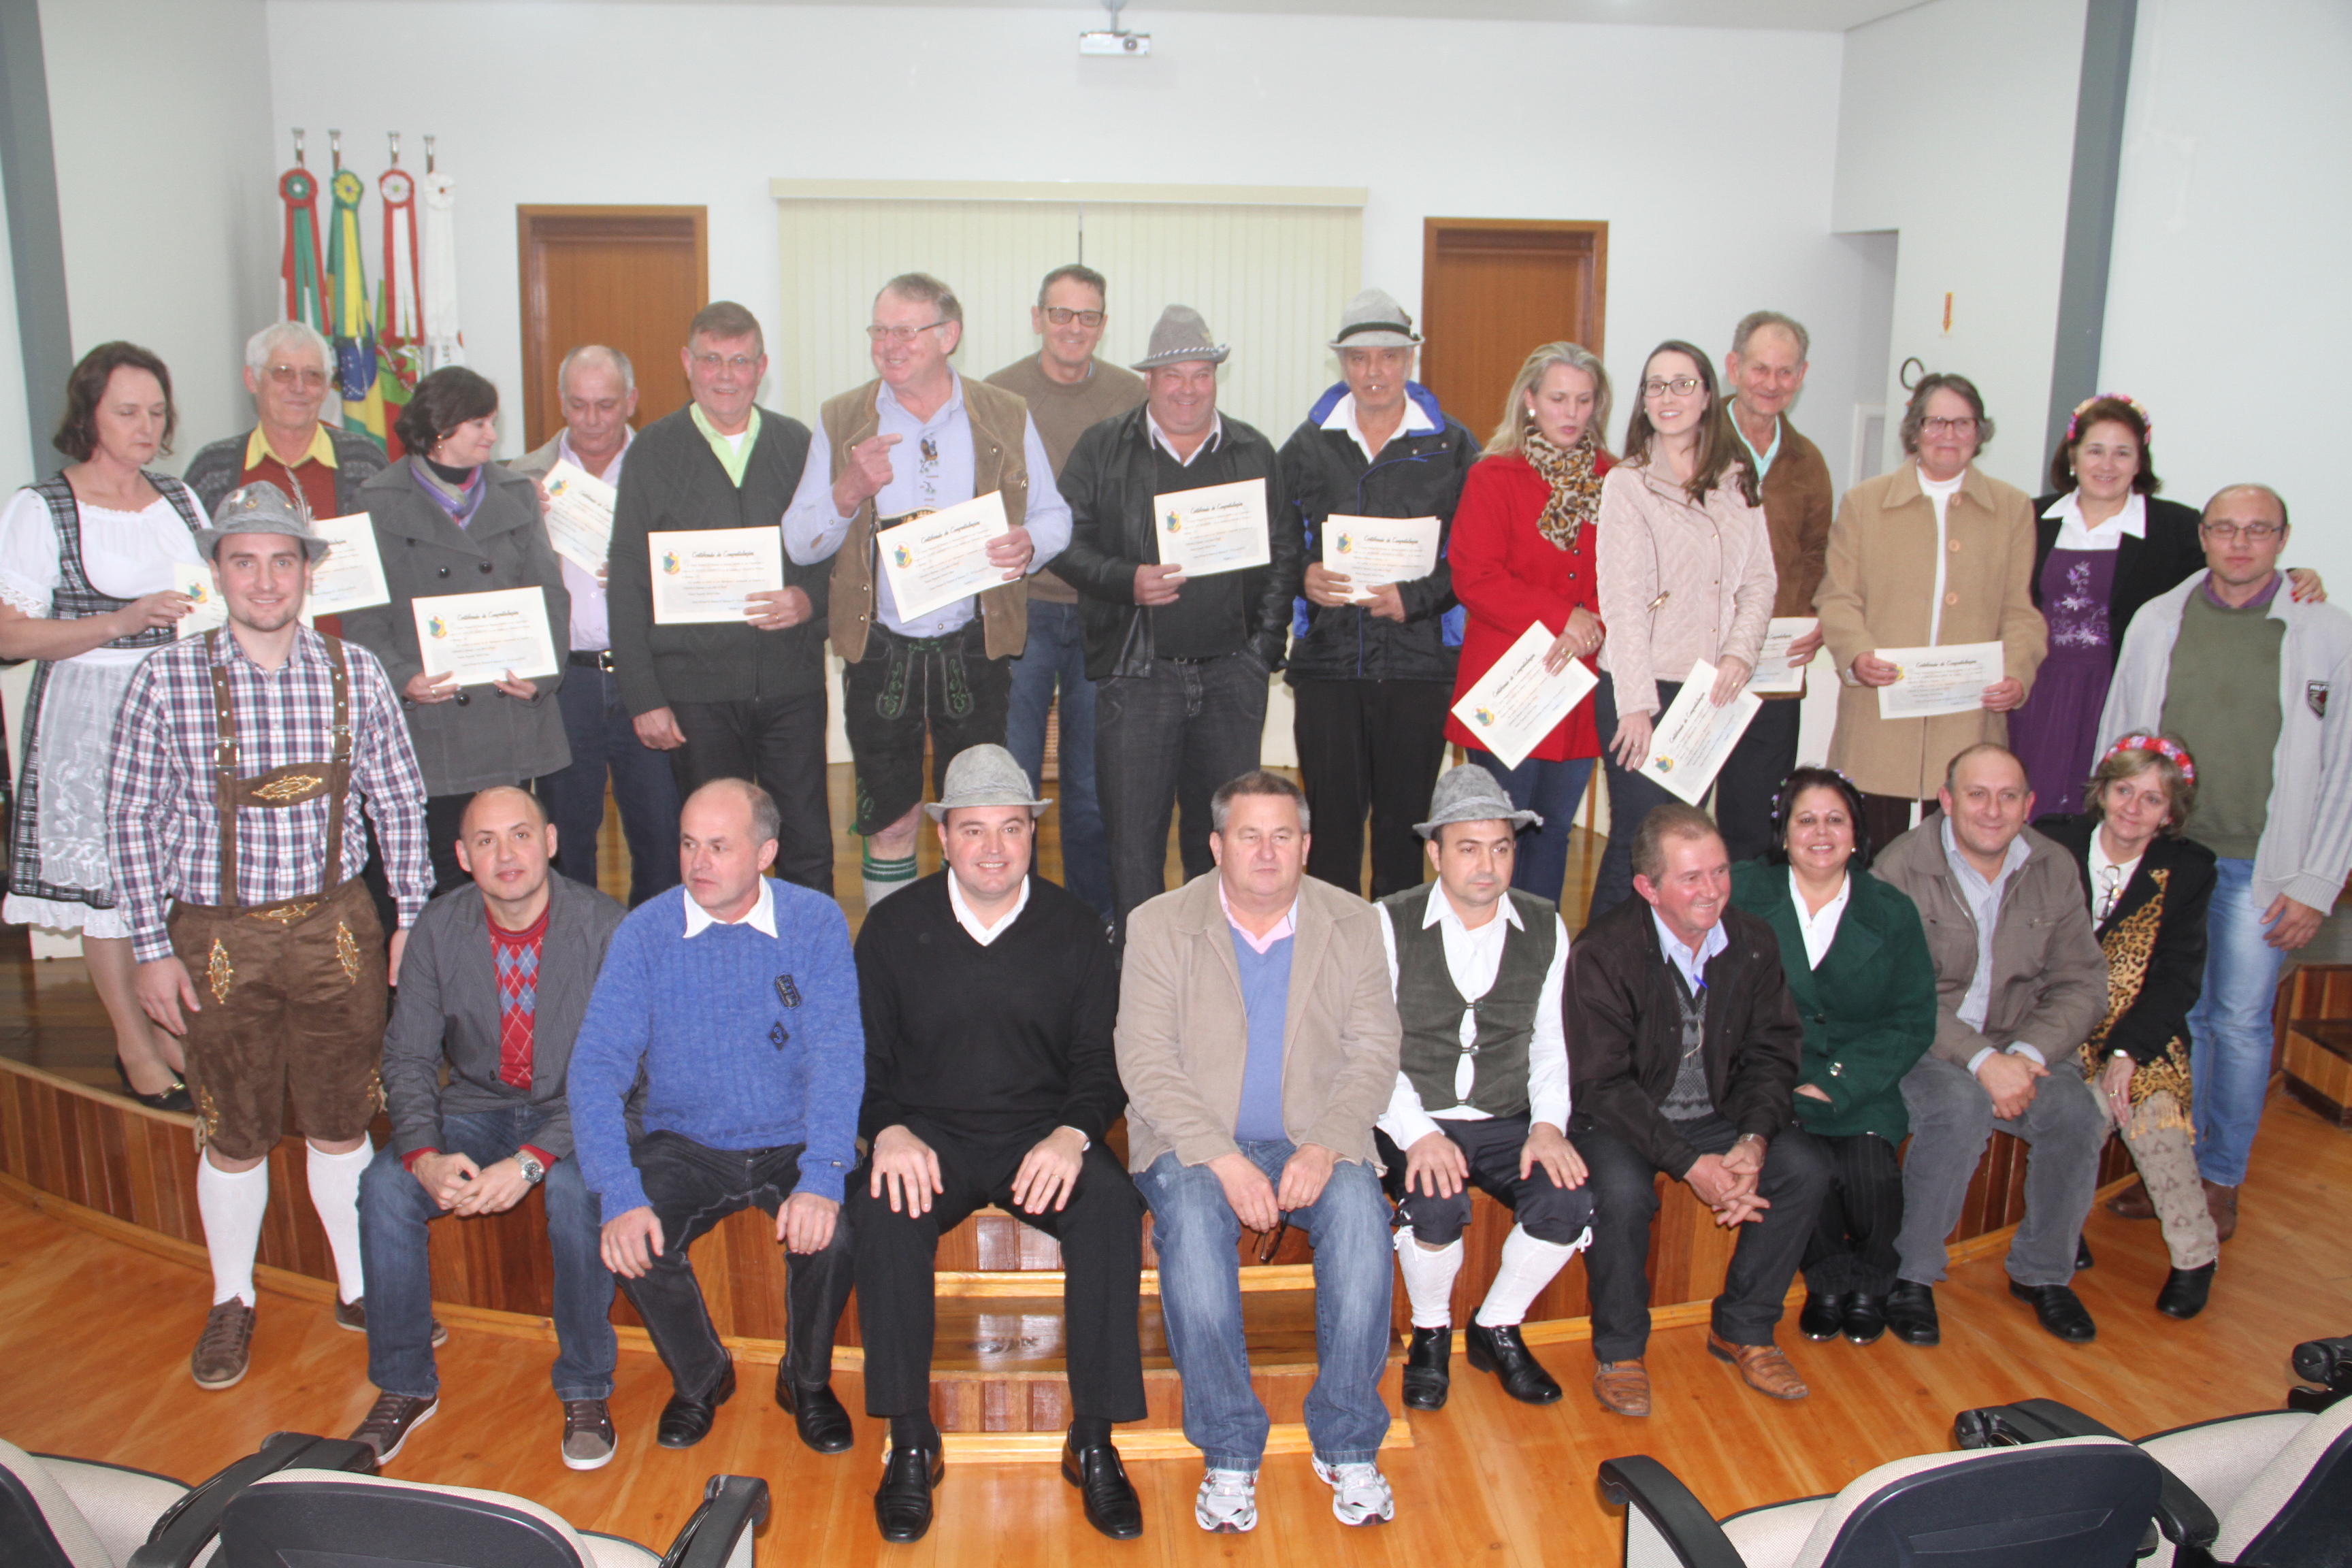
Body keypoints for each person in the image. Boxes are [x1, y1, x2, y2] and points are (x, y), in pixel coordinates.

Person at [104, 482, 431, 1392]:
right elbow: (129, 820)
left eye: (281, 561)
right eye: (243, 561)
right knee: (234, 1131)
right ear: (218, 572)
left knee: (342, 1119)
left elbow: (400, 801)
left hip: (337, 927)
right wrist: (147, 946)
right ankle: (232, 1297)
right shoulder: (164, 677)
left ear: (307, 575)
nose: (263, 580)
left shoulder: (353, 671)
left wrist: (408, 917)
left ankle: (362, 1288)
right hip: (216, 938)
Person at [847, 746, 1141, 1544]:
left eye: (1010, 829)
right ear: (943, 837)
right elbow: (860, 1060)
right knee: (878, 1210)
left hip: (1036, 1137)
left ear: (1031, 834)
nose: (992, 849)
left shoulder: (1078, 928)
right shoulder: (892, 926)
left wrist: (1074, 1136)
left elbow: (1099, 1065)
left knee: (1113, 1206)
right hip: (928, 1138)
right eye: (973, 830)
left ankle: (1095, 1439)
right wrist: (888, 1129)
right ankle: (910, 1437)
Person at [1117, 771, 1400, 1533]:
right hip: (1190, 1137)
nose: (1268, 852)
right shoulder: (1159, 923)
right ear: (1216, 846)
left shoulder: (1355, 922)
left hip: (1316, 1132)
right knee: (1196, 1235)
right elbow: (1145, 1060)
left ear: (1307, 845)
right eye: (1250, 835)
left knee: (1364, 1222)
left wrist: (1328, 1144)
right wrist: (1222, 1157)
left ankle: (1346, 1439)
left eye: (1284, 836)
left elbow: (1374, 1051)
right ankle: (1232, 1448)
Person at [566, 779, 860, 1454]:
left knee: (840, 1232)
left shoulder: (814, 922)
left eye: (719, 847)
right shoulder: (646, 930)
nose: (698, 863)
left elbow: (837, 1055)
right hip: (687, 1143)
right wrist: (619, 1190)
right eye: (688, 844)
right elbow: (595, 1066)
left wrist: (823, 1173)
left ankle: (806, 1381)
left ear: (766, 854)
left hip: (791, 1138)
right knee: (628, 1236)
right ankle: (701, 1375)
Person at [2097, 483, 2352, 1242]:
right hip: (2166, 859)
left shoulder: (2323, 631)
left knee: (2235, 1024)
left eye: (2258, 531)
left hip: (2258, 865)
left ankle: (2220, 1180)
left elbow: (2343, 766)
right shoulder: (2159, 621)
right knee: (2164, 1020)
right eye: (2226, 530)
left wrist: (2318, 881)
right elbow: (2120, 734)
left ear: (2283, 539)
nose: (2240, 544)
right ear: (2203, 537)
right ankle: (2166, 1165)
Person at [349, 787, 626, 1467]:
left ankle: (587, 1386)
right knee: (384, 1187)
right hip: (477, 1104)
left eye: (521, 835)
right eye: (486, 841)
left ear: (552, 841)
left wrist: (532, 1160)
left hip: (579, 1110)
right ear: (461, 856)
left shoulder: (607, 928)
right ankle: (405, 1385)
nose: (507, 855)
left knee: (574, 1195)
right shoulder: (437, 931)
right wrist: (421, 1155)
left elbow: (621, 1076)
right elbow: (409, 1057)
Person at [785, 273, 1070, 911]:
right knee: (889, 822)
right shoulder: (841, 418)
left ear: (948, 336)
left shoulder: (1003, 413)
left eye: (905, 331)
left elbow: (1056, 518)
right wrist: (848, 489)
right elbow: (800, 541)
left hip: (976, 648)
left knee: (978, 818)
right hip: (880, 652)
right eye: (879, 330)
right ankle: (895, 958)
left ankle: (975, 953)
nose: (888, 345)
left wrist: (1028, 544)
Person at [1567, 802, 1827, 1415]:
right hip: (1628, 1117)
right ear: (1646, 887)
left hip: (1722, 1110)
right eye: (1692, 878)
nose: (1712, 892)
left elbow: (1773, 1053)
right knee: (1623, 1195)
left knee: (1805, 1170)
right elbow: (1602, 1085)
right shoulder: (1603, 952)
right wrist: (1690, 1163)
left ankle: (1744, 1327)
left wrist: (1755, 1140)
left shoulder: (1754, 941)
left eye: (1719, 871)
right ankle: (1622, 1349)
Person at [1, 342, 206, 1109]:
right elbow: (10, 635)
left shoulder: (181, 502)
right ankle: (133, 1041)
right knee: (108, 891)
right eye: (128, 411)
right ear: (88, 413)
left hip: (174, 711)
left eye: (157, 411)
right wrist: (119, 622)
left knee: (170, 882)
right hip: (91, 713)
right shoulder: (43, 507)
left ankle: (175, 1026)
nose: (146, 424)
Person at [1053, 308, 1300, 941]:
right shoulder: (1103, 447)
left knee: (1220, 841)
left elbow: (1282, 553)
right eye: (1174, 376)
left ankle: (1213, 962)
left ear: (1217, 377)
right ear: (1149, 380)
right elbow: (1065, 542)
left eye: (1201, 374)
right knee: (1132, 842)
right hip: (1138, 678)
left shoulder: (1251, 450)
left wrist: (1261, 654)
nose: (1188, 389)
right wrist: (1125, 579)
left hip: (1230, 679)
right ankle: (1139, 978)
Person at [1871, 744, 2110, 1345]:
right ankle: (1912, 1275)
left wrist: (2024, 1058)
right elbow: (1892, 991)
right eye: (1977, 794)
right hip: (1926, 1040)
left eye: (2009, 797)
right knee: (1960, 1107)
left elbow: (2084, 983)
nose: (1993, 810)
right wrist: (1981, 1062)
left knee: (2079, 1112)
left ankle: (2043, 1272)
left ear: (2029, 805)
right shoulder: (1901, 865)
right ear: (1947, 800)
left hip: (2022, 1041)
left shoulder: (2053, 866)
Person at [1376, 766, 1589, 1411]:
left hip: (1506, 1115)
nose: (1487, 865)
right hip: (1410, 1112)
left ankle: (1497, 1325)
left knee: (1567, 1200)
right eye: (1468, 848)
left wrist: (1548, 1125)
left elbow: (1553, 1044)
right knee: (1435, 1203)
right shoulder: (1389, 921)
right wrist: (1420, 1136)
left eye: (1501, 847)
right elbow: (1373, 1052)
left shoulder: (1546, 924)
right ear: (1435, 852)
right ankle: (1432, 1332)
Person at [606, 301, 832, 894]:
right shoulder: (652, 451)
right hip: (694, 697)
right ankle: (721, 976)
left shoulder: (798, 443)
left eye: (739, 361)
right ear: (687, 363)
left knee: (807, 844)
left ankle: (814, 975)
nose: (725, 375)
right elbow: (628, 574)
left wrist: (809, 603)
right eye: (711, 360)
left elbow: (835, 549)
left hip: (790, 686)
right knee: (715, 853)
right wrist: (642, 695)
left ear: (762, 368)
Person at [2012, 396, 2323, 815]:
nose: (2108, 465)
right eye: (2095, 450)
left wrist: (2297, 576)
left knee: (2103, 816)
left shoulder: (2173, 527)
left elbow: (2233, 568)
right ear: (2072, 455)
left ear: (2140, 461)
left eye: (2123, 452)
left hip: (2119, 694)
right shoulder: (2029, 518)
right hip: (2034, 695)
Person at [339, 366, 571, 898]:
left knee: (512, 869)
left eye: (491, 422)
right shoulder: (375, 500)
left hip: (507, 710)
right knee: (439, 872)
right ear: (440, 427)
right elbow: (364, 617)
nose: (492, 435)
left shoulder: (515, 491)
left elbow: (549, 595)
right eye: (478, 423)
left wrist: (540, 675)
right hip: (431, 719)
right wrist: (403, 678)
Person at [1728, 766, 1935, 1348]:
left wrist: (1840, 1083)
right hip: (1770, 1076)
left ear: (1856, 832)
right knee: (1803, 1166)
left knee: (1870, 1172)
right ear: (1784, 832)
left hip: (1861, 1079)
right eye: (1807, 819)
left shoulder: (1891, 911)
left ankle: (1870, 1285)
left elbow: (1913, 1018)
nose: (1822, 833)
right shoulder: (1743, 892)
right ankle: (1825, 1285)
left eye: (1835, 819)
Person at [1284, 289, 1480, 898]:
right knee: (1332, 835)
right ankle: (1333, 967)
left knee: (1404, 833)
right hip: (1329, 667)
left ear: (1411, 360)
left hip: (1419, 665)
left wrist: (1415, 599)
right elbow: (1276, 541)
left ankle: (1397, 969)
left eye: (1389, 357)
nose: (1375, 372)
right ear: (1342, 363)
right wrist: (1302, 576)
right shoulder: (1307, 445)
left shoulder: (1454, 447)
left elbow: (1473, 559)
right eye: (1361, 358)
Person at [1815, 374, 2046, 850]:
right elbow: (1838, 597)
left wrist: (2018, 674)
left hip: (1968, 716)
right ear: (1915, 430)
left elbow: (2020, 610)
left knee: (1959, 857)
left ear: (1979, 433)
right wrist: (1857, 655)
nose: (1948, 435)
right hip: (1880, 716)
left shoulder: (2012, 508)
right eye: (1936, 422)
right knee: (1874, 854)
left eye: (1963, 424)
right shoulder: (1865, 502)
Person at [985, 263, 1149, 922]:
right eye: (1061, 314)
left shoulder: (1133, 395)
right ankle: (1009, 919)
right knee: (1012, 783)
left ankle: (1093, 928)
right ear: (1037, 318)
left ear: (1103, 325)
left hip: (1099, 614)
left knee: (1089, 789)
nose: (1073, 328)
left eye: (1087, 317)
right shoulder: (996, 395)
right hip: (1020, 611)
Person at [2035, 734, 2221, 1318]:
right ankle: (2062, 1233)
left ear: (2171, 814)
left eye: (2153, 800)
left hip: (2139, 1029)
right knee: (2073, 1114)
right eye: (2125, 791)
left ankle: (2196, 1257)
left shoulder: (2188, 870)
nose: (2133, 809)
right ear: (2103, 790)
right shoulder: (2054, 842)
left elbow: (2178, 977)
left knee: (2153, 1118)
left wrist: (2127, 1052)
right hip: (2055, 1022)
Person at [1590, 341, 1778, 917]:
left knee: (1685, 852)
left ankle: (1665, 979)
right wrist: (1637, 705)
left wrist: (1740, 656)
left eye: (1682, 383)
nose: (1667, 397)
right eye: (1654, 385)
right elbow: (1620, 601)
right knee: (1640, 844)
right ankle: (1596, 982)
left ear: (1706, 395)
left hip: (1710, 693)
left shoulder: (1737, 478)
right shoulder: (1628, 483)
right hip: (1643, 692)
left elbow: (1760, 582)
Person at [510, 345, 682, 906]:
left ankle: (648, 964)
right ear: (561, 402)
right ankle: (573, 964)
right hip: (566, 681)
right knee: (563, 838)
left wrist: (646, 572)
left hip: (647, 676)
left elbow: (696, 570)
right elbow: (498, 583)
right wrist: (521, 531)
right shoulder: (521, 479)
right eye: (578, 405)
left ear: (632, 402)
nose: (591, 420)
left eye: (606, 405)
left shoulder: (666, 466)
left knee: (660, 836)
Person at [1445, 343, 1614, 903]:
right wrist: (1563, 616)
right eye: (1559, 398)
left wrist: (1592, 621)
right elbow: (1476, 577)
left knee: (1554, 832)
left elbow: (1627, 577)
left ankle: (1539, 953)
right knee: (1499, 833)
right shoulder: (1494, 476)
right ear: (1530, 401)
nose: (1572, 412)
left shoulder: (1617, 480)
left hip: (1576, 685)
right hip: (1510, 683)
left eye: (1584, 400)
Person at [1716, 313, 1835, 862]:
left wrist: (1813, 615)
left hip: (1771, 672)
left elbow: (1816, 553)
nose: (1771, 382)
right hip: (1692, 663)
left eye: (1786, 372)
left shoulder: (1808, 462)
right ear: (1734, 367)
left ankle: (1740, 941)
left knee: (1754, 824)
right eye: (1760, 368)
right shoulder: (1691, 440)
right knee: (1671, 815)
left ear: (1803, 375)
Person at [182, 320, 388, 521]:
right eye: (283, 372)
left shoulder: (365, 461)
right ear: (252, 379)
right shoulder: (212, 468)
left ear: (326, 387)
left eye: (313, 375)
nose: (298, 387)